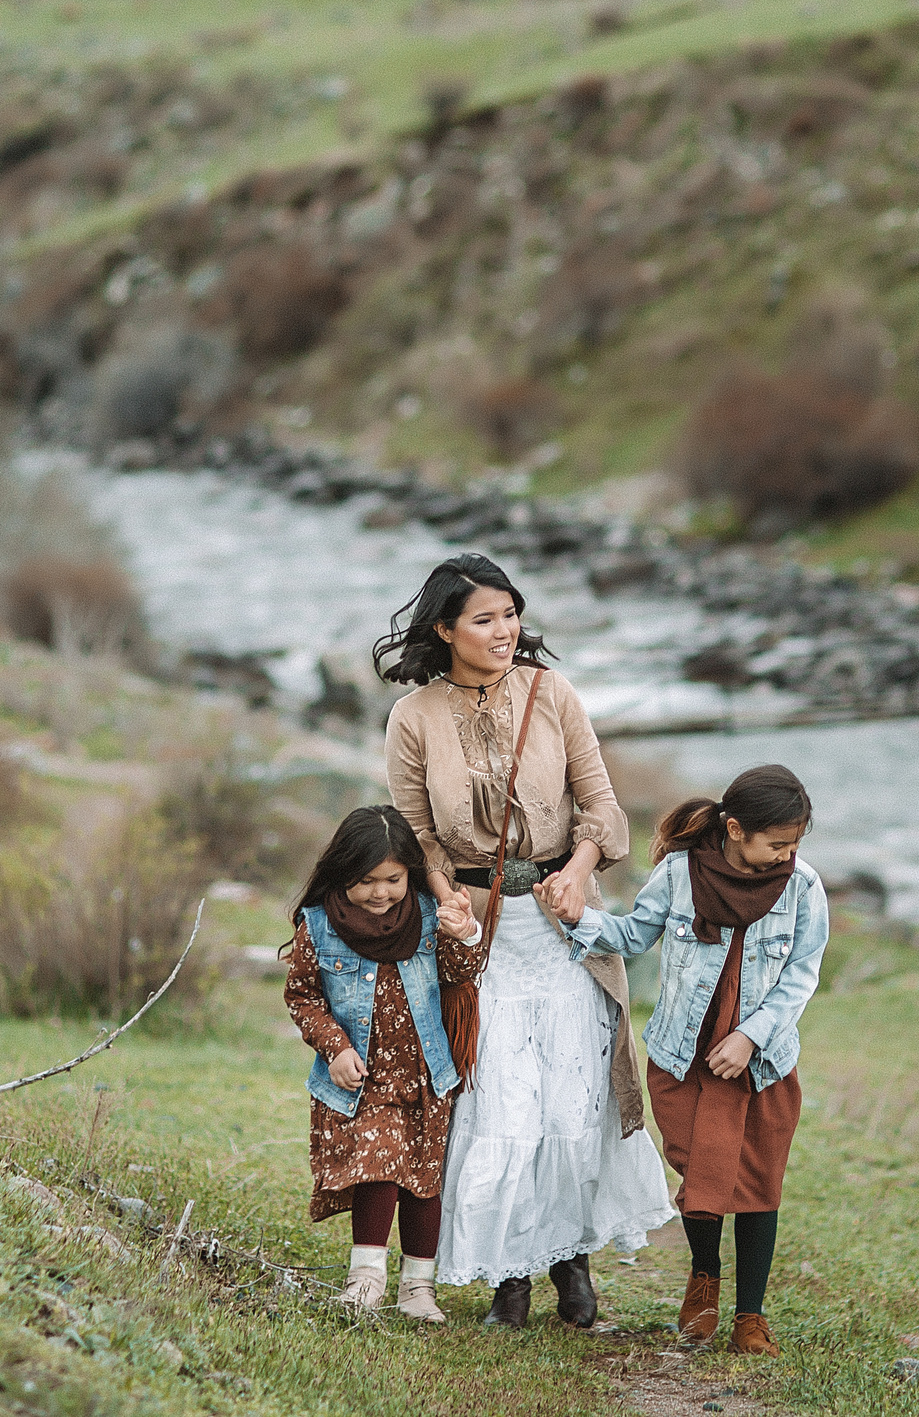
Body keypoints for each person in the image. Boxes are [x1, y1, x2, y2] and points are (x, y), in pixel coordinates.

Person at [377, 553, 674, 1328]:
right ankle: (511, 1277)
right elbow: (414, 834)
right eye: (484, 618)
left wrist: (578, 869)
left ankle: (573, 1272)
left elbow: (603, 807)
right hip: (478, 934)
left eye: (510, 613)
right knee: (500, 1095)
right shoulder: (413, 716)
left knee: (572, 1097)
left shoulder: (553, 691)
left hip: (563, 927)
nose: (504, 629)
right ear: (445, 628)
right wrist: (445, 900)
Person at [543, 764, 826, 1357]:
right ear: (734, 829)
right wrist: (576, 920)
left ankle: (751, 1314)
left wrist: (750, 1036)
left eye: (795, 843)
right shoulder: (677, 874)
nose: (787, 854)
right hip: (683, 1056)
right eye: (777, 843)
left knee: (757, 1181)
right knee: (699, 1173)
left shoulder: (803, 888)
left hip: (762, 1060)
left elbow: (801, 976)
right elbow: (633, 936)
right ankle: (704, 1276)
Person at [281, 805, 483, 1320]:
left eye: (392, 879)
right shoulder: (320, 925)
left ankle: (418, 1287)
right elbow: (303, 996)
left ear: (409, 874)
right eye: (365, 880)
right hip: (361, 1078)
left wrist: (464, 934)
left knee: (422, 1180)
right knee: (378, 1166)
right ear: (341, 872)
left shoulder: (426, 915)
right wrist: (335, 1047)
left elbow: (461, 975)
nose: (380, 892)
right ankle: (365, 1278)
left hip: (425, 1073)